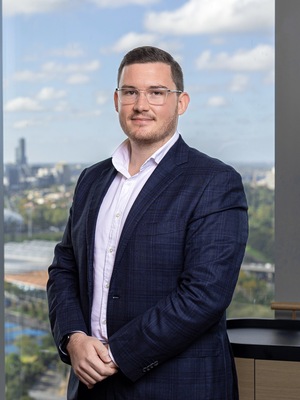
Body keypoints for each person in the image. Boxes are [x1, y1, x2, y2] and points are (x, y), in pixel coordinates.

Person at [47, 45, 248, 400]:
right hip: (91, 387)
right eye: (130, 92)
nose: (141, 104)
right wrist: (73, 338)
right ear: (116, 100)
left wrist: (115, 354)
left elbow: (205, 294)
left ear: (180, 102)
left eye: (157, 92)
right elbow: (65, 267)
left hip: (177, 387)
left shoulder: (214, 181)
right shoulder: (91, 180)